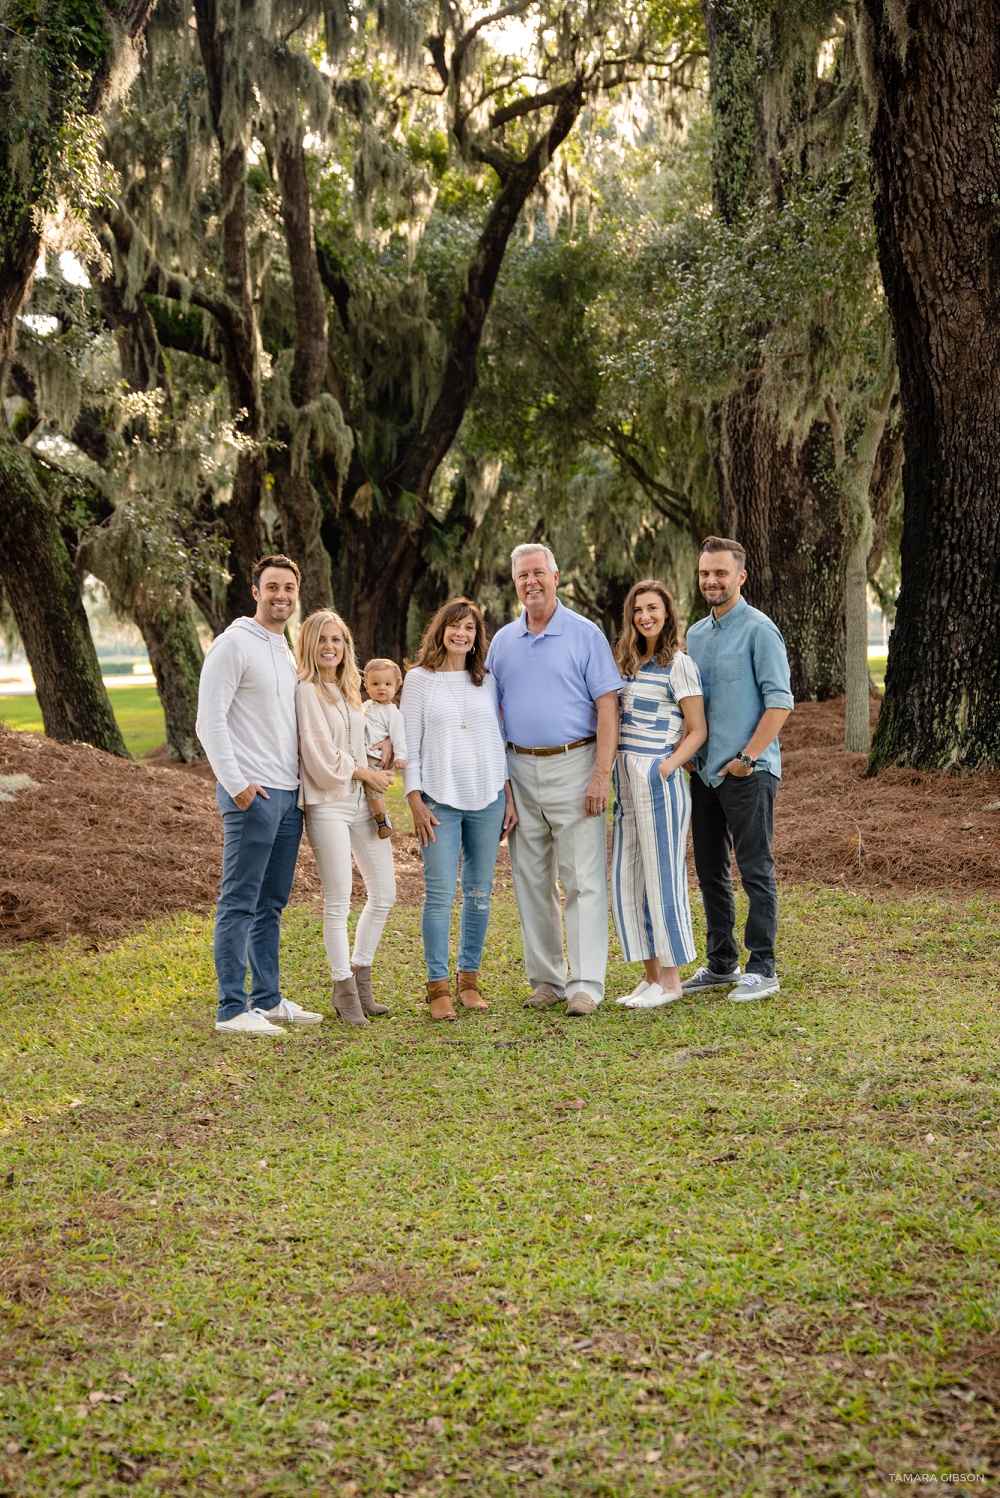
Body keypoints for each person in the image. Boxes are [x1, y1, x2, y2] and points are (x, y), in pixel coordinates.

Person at [486, 544, 621, 1018]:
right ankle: (547, 979)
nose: (531, 583)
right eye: (523, 575)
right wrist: (503, 786)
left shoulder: (585, 634)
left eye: (538, 573)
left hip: (577, 764)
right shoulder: (501, 641)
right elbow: (493, 714)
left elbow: (608, 707)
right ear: (515, 582)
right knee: (530, 878)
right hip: (519, 769)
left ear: (556, 576)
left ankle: (585, 984)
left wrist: (600, 775)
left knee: (582, 878)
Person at [196, 554, 321, 1035]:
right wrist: (238, 786)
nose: (282, 596)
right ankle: (231, 1008)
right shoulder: (233, 645)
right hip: (255, 796)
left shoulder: (284, 648)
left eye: (289, 588)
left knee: (271, 903)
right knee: (239, 901)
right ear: (255, 591)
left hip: (289, 797)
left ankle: (267, 1000)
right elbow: (209, 722)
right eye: (272, 587)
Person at [683, 536, 794, 1002]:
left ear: (740, 576)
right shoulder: (693, 635)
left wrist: (747, 759)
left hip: (748, 771)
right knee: (710, 871)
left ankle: (763, 966)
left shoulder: (759, 630)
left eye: (721, 573)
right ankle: (722, 963)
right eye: (706, 573)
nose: (712, 580)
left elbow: (780, 702)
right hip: (704, 773)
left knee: (754, 868)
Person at [401, 598, 517, 1021]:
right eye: (454, 626)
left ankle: (469, 980)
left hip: (487, 798)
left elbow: (498, 739)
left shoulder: (486, 679)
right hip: (438, 800)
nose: (461, 634)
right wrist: (413, 798)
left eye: (469, 628)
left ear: (477, 636)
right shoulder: (418, 680)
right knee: (439, 894)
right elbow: (408, 745)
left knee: (479, 894)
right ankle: (438, 989)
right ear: (441, 630)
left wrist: (508, 794)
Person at [294, 611, 397, 1026]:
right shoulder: (306, 691)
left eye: (336, 640)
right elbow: (318, 755)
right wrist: (365, 771)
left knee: (384, 893)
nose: (330, 647)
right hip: (327, 802)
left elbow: (360, 737)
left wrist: (384, 744)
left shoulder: (349, 688)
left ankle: (362, 978)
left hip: (360, 801)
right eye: (322, 640)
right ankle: (343, 991)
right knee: (338, 900)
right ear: (309, 645)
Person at [610, 579, 708, 1009]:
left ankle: (672, 982)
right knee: (627, 879)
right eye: (638, 610)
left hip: (658, 780)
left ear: (667, 613)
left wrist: (667, 766)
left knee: (662, 879)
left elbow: (697, 729)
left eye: (653, 608)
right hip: (624, 783)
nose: (645, 616)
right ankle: (650, 977)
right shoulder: (627, 663)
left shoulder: (679, 663)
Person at [361, 658, 407, 839]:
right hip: (360, 753)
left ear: (396, 687)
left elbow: (398, 736)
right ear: (366, 687)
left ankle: (381, 819)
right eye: (375, 683)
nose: (381, 688)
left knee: (373, 788)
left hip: (373, 755)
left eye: (387, 684)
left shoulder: (393, 713)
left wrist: (400, 756)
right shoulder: (365, 706)